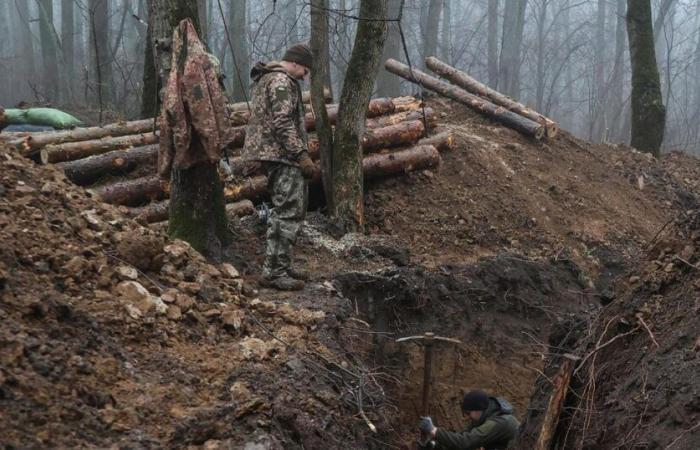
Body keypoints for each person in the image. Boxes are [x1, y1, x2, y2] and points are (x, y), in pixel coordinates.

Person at [241, 43, 316, 291]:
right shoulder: (281, 82)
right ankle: (275, 272)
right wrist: (301, 154)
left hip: (274, 153)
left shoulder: (269, 79)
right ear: (295, 63)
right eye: (305, 70)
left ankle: (280, 264)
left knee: (285, 210)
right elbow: (283, 121)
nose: (305, 76)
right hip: (281, 155)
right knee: (288, 211)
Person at [418, 390, 520, 449]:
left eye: (468, 413)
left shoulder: (498, 423)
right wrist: (435, 445)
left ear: (478, 409)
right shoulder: (483, 416)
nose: (467, 417)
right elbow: (461, 437)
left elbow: (465, 442)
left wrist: (434, 430)